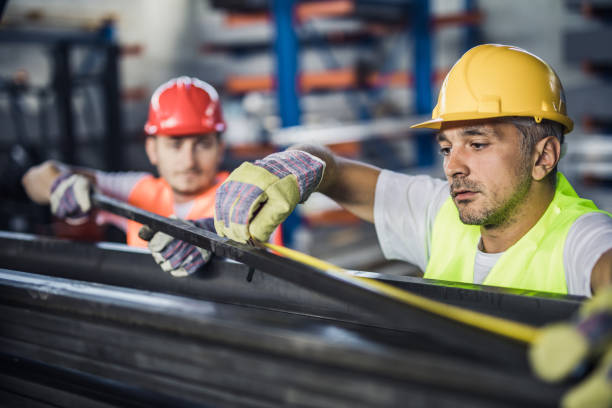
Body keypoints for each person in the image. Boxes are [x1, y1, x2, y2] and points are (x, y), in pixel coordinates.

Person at [211, 44, 612, 407]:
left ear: (544, 157)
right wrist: (296, 163)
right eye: (446, 148)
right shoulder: (443, 214)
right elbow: (335, 172)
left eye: (477, 143)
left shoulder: (579, 235)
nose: (453, 166)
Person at [22, 76, 234, 276]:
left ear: (220, 149)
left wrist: (216, 234)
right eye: (175, 145)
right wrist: (60, 185)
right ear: (152, 150)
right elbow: (33, 178)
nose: (189, 161)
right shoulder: (137, 191)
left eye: (203, 145)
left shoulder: (240, 196)